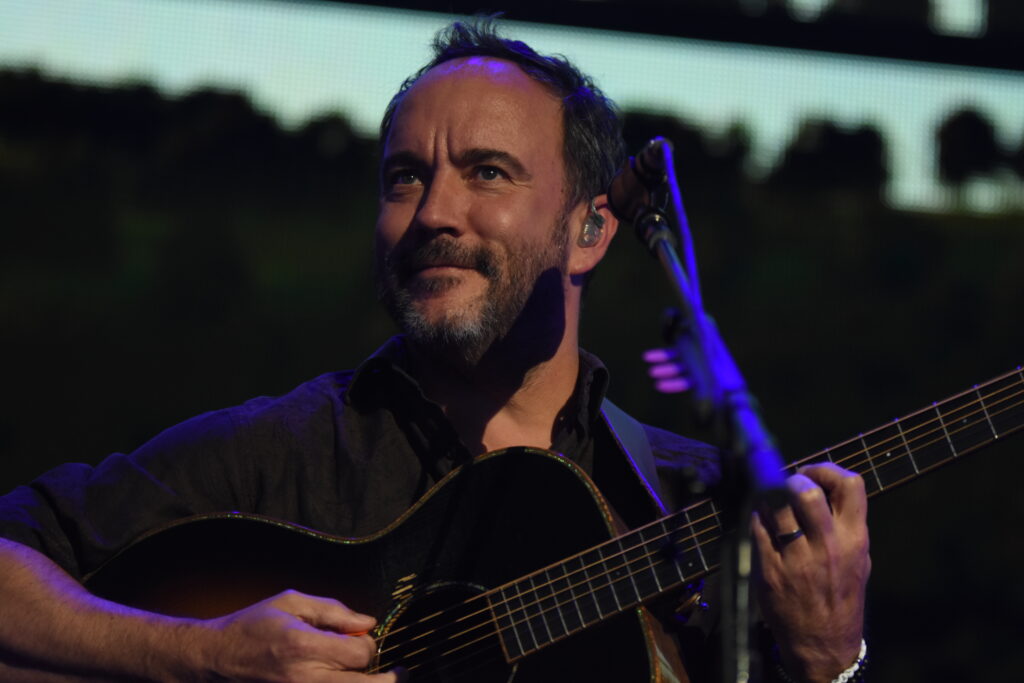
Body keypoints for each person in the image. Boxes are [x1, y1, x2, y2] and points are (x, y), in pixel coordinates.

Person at [0, 19, 869, 682]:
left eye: (487, 172)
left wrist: (828, 660)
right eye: (405, 177)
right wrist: (202, 653)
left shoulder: (690, 499)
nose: (433, 214)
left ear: (592, 229)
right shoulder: (281, 454)